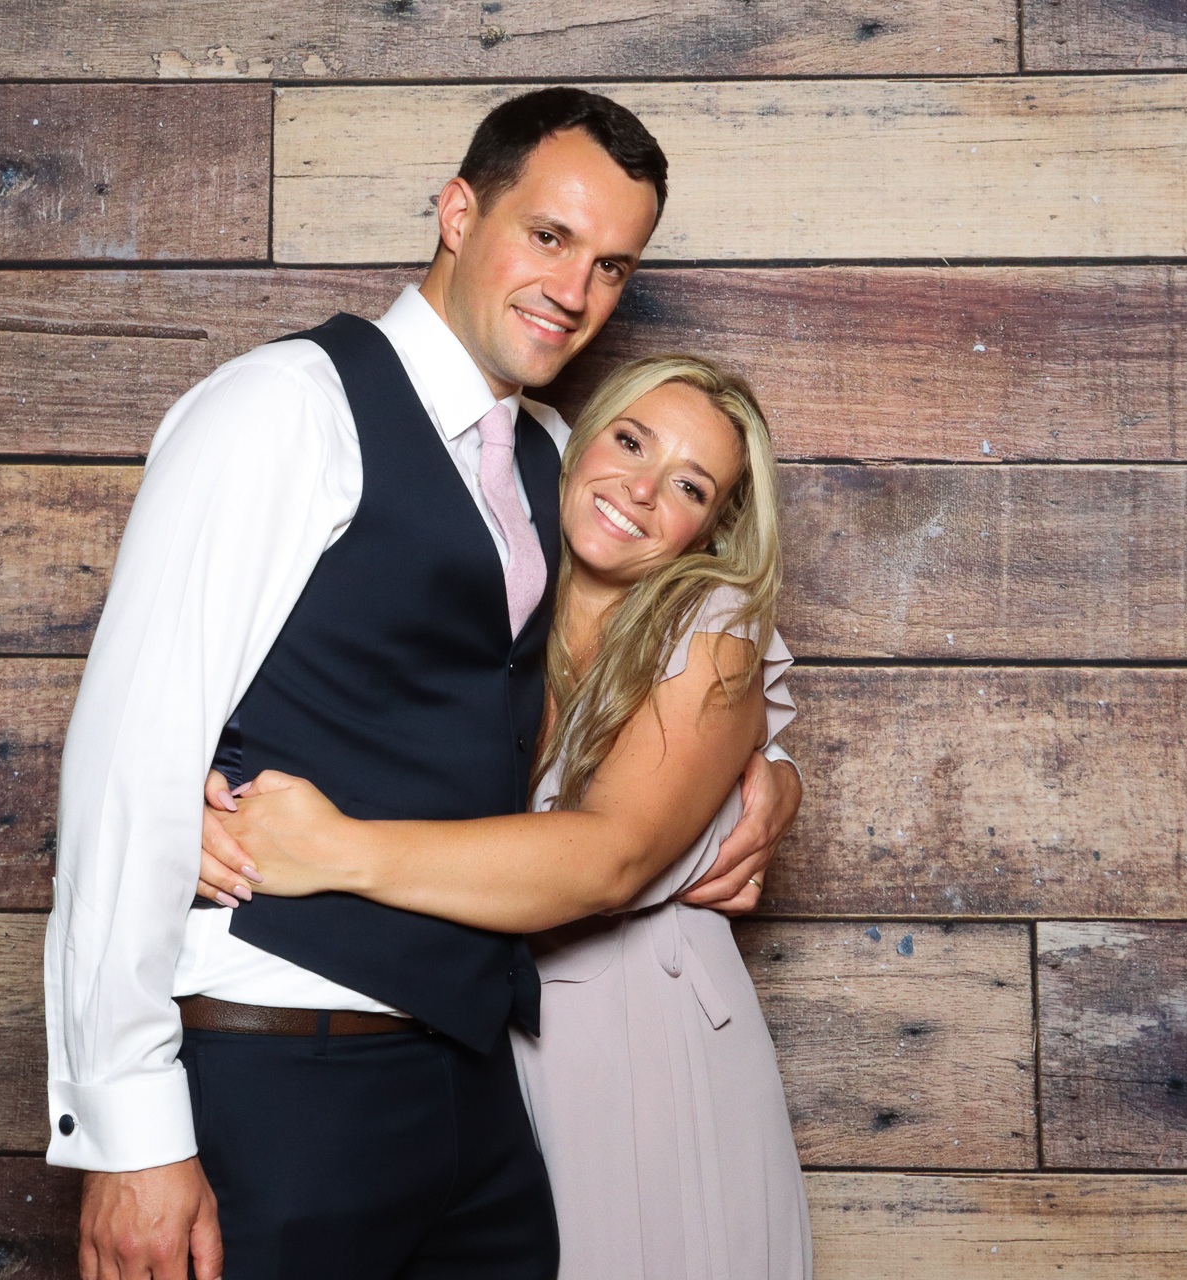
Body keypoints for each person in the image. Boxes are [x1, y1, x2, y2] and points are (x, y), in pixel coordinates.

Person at [43, 88, 804, 1280]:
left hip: (480, 1095)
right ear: (458, 212)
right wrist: (129, 1129)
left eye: (611, 266)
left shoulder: (560, 458)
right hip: (281, 1064)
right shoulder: (284, 408)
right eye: (548, 236)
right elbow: (129, 758)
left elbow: (692, 629)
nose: (574, 289)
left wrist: (768, 774)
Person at [198, 353, 812, 1279]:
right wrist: (189, 797)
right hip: (486, 1045)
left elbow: (610, 858)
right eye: (630, 442)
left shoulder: (711, 624)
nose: (641, 491)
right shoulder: (495, 578)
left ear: (713, 527)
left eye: (689, 486)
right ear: (578, 440)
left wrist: (333, 850)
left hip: (648, 1044)